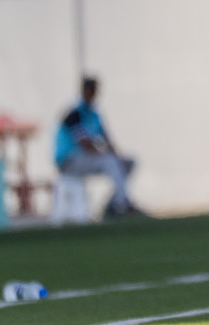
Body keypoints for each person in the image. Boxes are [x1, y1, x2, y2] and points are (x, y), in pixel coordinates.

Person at [54, 76, 144, 219]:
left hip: (87, 159)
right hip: (69, 162)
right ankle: (124, 205)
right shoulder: (74, 113)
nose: (92, 93)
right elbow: (85, 144)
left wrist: (117, 156)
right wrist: (107, 154)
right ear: (83, 90)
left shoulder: (95, 114)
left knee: (126, 163)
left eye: (94, 90)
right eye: (89, 90)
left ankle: (113, 205)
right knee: (109, 161)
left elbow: (107, 140)